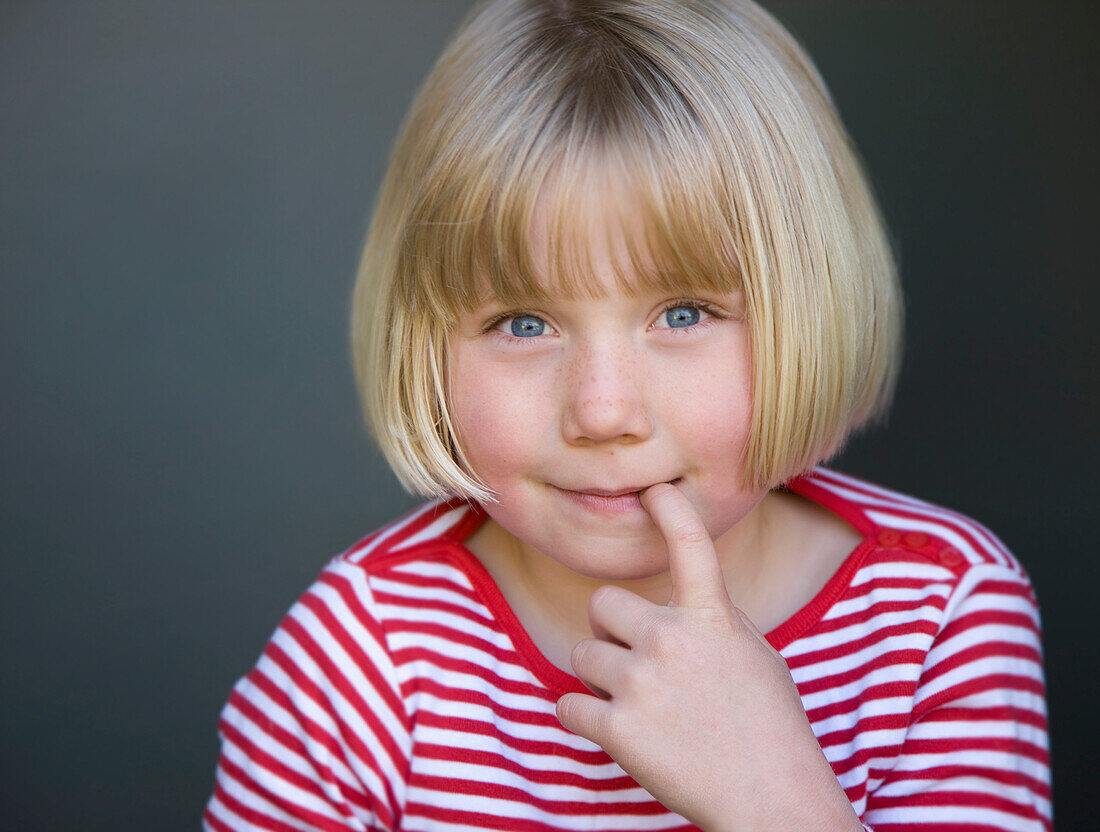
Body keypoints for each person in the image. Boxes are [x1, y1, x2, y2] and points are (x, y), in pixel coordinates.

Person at [203, 1, 1050, 829]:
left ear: (812, 311)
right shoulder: (359, 656)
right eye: (523, 324)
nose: (603, 412)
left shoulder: (939, 611)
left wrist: (774, 803)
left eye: (683, 313)